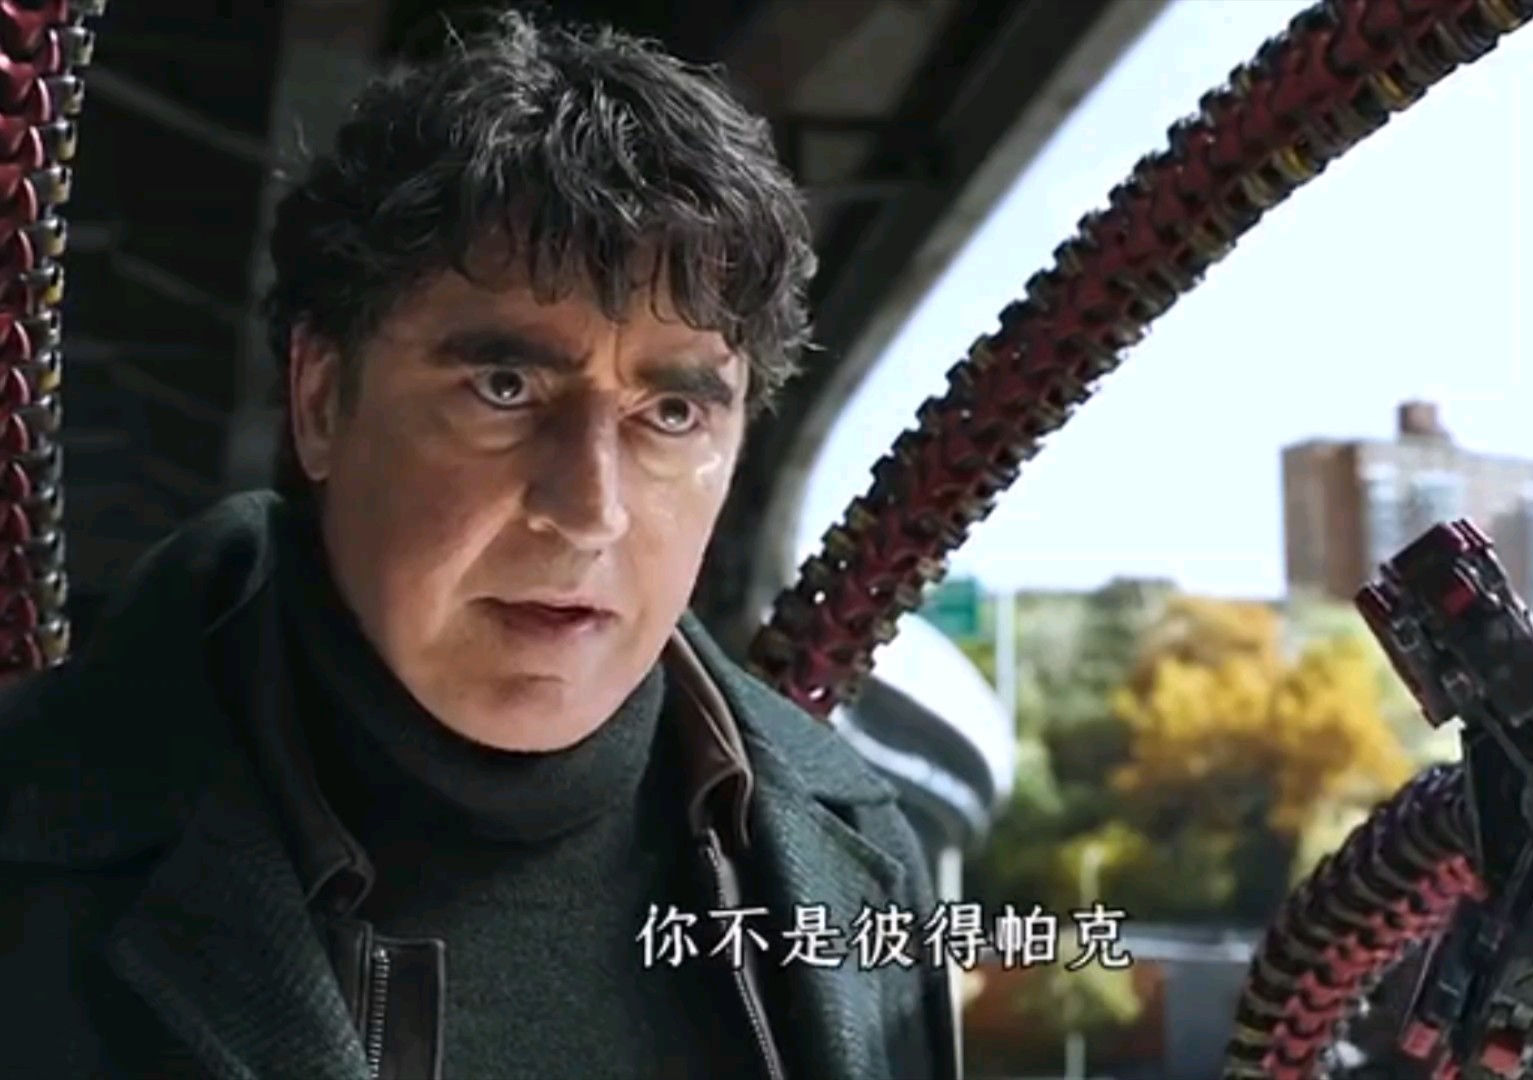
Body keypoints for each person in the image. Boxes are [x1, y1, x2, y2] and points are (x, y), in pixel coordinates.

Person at [0, 11, 957, 1079]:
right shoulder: (32, 861)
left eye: (673, 414)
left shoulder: (855, 856)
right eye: (505, 387)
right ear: (320, 399)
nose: (588, 509)